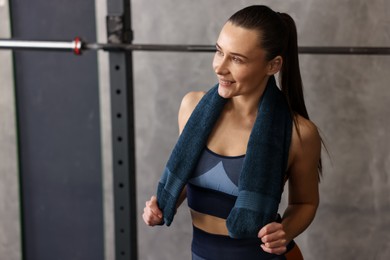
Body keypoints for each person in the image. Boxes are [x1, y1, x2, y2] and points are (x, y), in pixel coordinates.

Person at [143, 5, 321, 260]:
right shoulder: (191, 107)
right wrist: (161, 205)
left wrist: (285, 230)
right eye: (219, 52)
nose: (220, 67)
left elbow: (305, 203)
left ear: (273, 65)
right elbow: (189, 175)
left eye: (237, 59)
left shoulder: (299, 133)